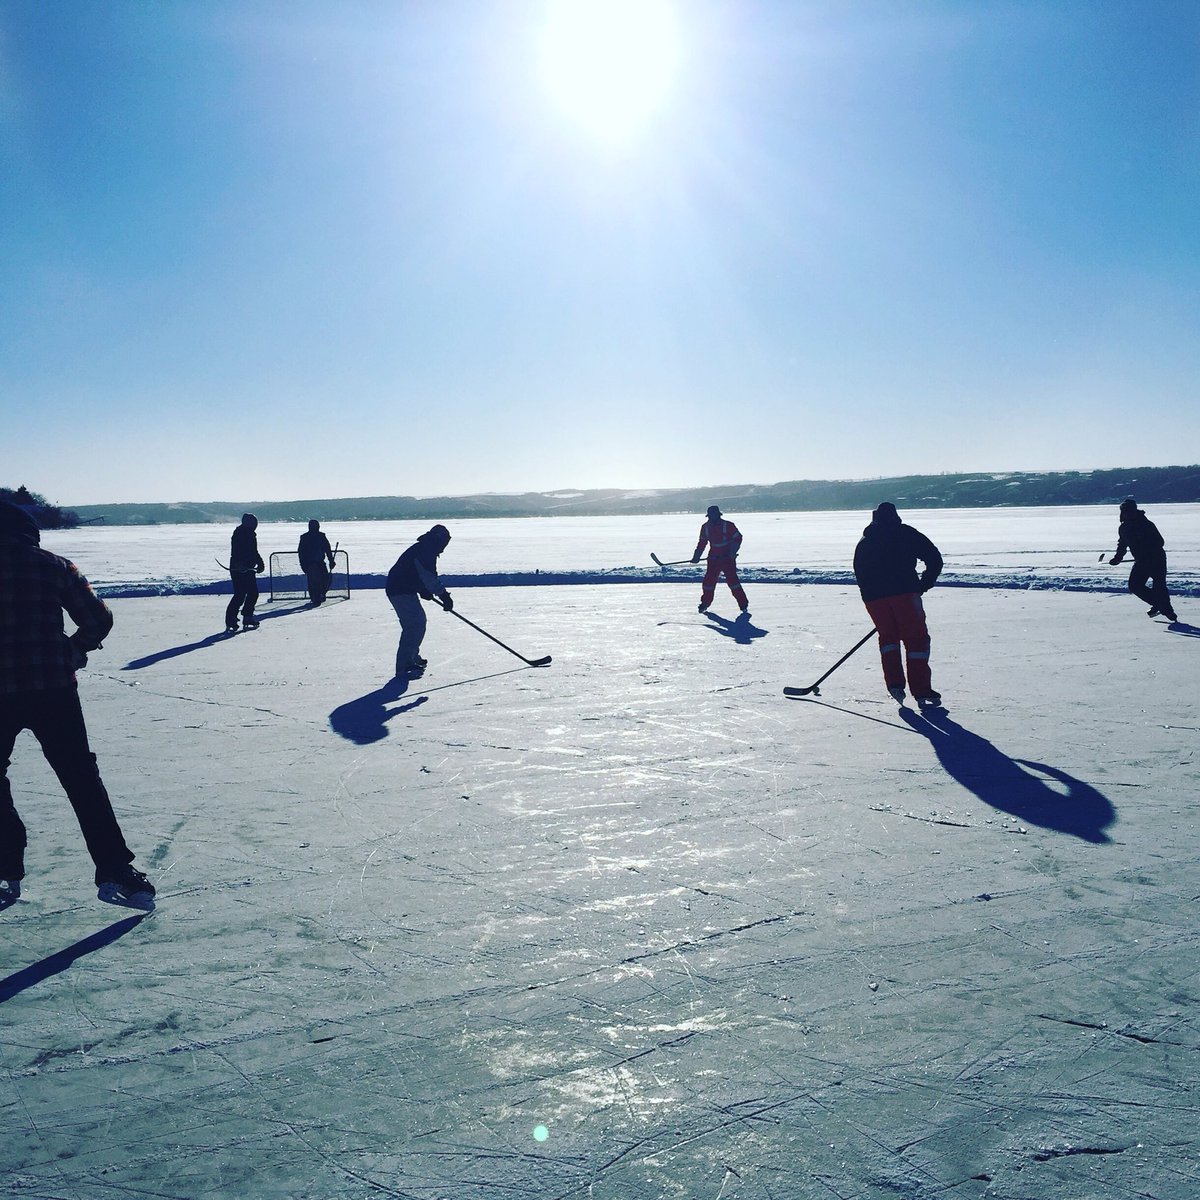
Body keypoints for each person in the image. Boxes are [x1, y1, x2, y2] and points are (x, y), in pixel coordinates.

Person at [0, 500, 155, 909]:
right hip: (53, 689)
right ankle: (115, 869)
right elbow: (98, 619)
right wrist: (74, 649)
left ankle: (5, 861)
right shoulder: (55, 566)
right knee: (81, 779)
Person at [853, 502, 944, 707]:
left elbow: (859, 572)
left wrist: (870, 597)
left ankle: (895, 684)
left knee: (889, 639)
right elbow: (934, 559)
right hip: (905, 594)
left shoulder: (866, 541)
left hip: (875, 599)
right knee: (916, 640)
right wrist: (924, 584)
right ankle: (921, 690)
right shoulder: (906, 533)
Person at [385, 525, 454, 676]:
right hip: (399, 589)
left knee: (416, 622)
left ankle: (411, 656)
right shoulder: (426, 551)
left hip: (403, 588)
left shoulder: (426, 548)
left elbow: (417, 574)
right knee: (414, 624)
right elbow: (428, 577)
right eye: (444, 543)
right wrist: (444, 596)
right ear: (438, 539)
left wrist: (423, 589)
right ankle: (405, 663)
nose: (444, 548)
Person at [1109, 498, 1178, 623]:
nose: (1127, 513)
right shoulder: (1123, 528)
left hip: (1157, 559)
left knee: (1159, 585)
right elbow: (1122, 544)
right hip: (1141, 561)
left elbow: (1160, 542)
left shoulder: (1146, 524)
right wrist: (1118, 558)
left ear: (1135, 510)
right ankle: (1159, 605)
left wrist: (1148, 551)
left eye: (1129, 510)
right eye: (1125, 511)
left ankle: (1167, 610)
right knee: (1135, 586)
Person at [691, 505, 748, 615]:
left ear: (718, 515)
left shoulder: (728, 525)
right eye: (710, 516)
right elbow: (702, 543)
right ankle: (705, 603)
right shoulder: (705, 527)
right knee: (708, 582)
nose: (711, 518)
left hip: (727, 558)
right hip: (713, 558)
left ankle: (743, 604)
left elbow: (738, 538)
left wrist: (732, 552)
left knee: (733, 582)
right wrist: (696, 556)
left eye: (713, 515)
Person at [225, 513, 265, 632]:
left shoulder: (250, 534)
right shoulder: (240, 533)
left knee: (252, 593)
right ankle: (231, 618)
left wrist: (260, 563)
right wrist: (240, 564)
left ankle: (247, 616)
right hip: (239, 568)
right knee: (240, 594)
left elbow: (253, 551)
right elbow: (237, 551)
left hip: (248, 568)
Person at [297, 520, 336, 605]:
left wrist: (331, 560)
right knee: (314, 582)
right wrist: (303, 564)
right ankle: (315, 597)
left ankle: (321, 595)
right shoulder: (305, 537)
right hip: (310, 564)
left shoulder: (321, 536)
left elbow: (327, 549)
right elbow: (301, 552)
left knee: (324, 579)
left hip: (319, 563)